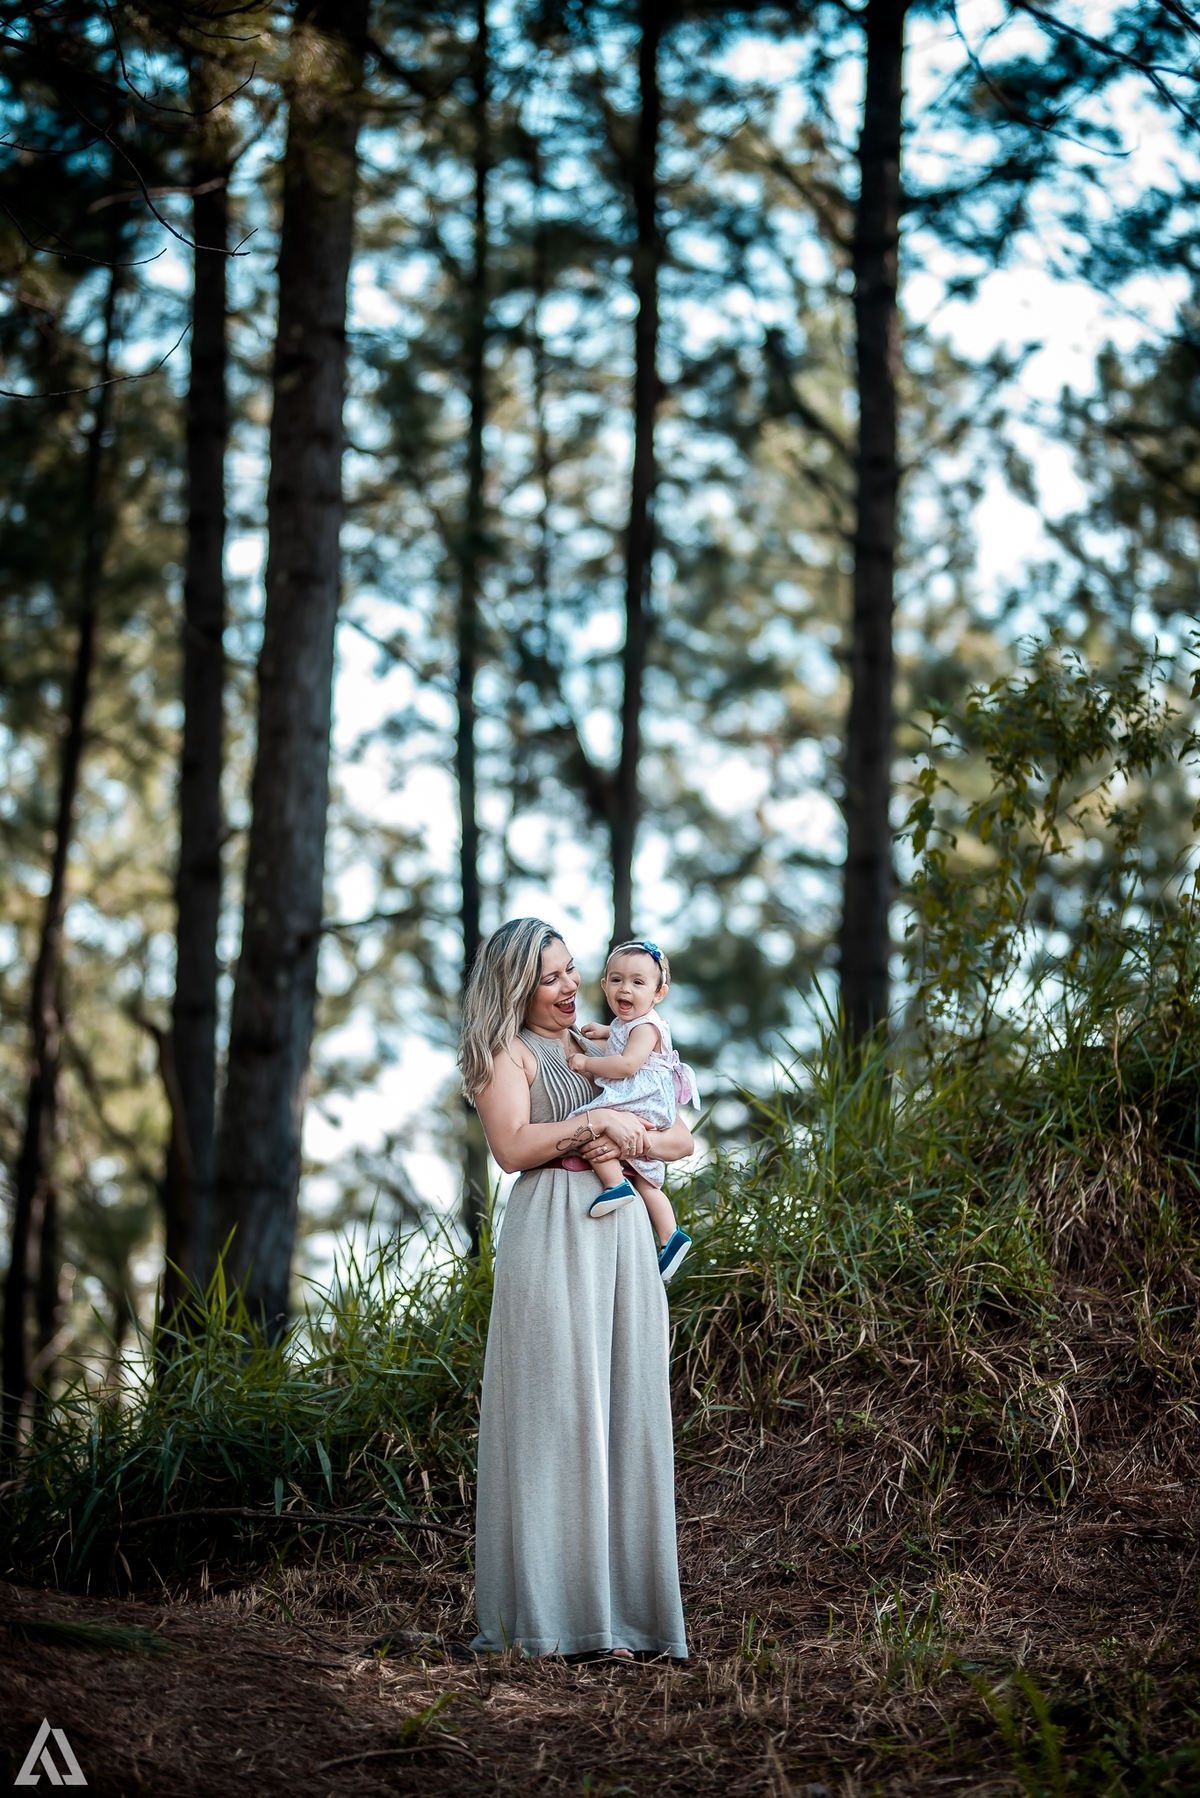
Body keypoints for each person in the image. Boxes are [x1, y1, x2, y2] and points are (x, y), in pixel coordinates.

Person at [461, 917, 693, 1661]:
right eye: (550, 976)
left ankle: (626, 1620)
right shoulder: (507, 1052)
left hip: (621, 1229)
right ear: (515, 986)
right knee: (557, 1414)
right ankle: (555, 1622)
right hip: (554, 1228)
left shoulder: (606, 1045)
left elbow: (676, 1137)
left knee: (625, 1408)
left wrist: (637, 1138)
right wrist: (592, 1125)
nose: (568, 987)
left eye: (569, 971)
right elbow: (511, 1148)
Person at [564, 939, 698, 1283]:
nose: (626, 988)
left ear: (659, 993)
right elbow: (624, 1036)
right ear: (605, 985)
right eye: (617, 980)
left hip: (642, 1100)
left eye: (638, 982)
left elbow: (626, 1063)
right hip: (648, 1102)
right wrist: (606, 1031)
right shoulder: (632, 1024)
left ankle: (614, 1185)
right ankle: (671, 1237)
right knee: (646, 1179)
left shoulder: (647, 1027)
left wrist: (587, 1061)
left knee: (583, 1122)